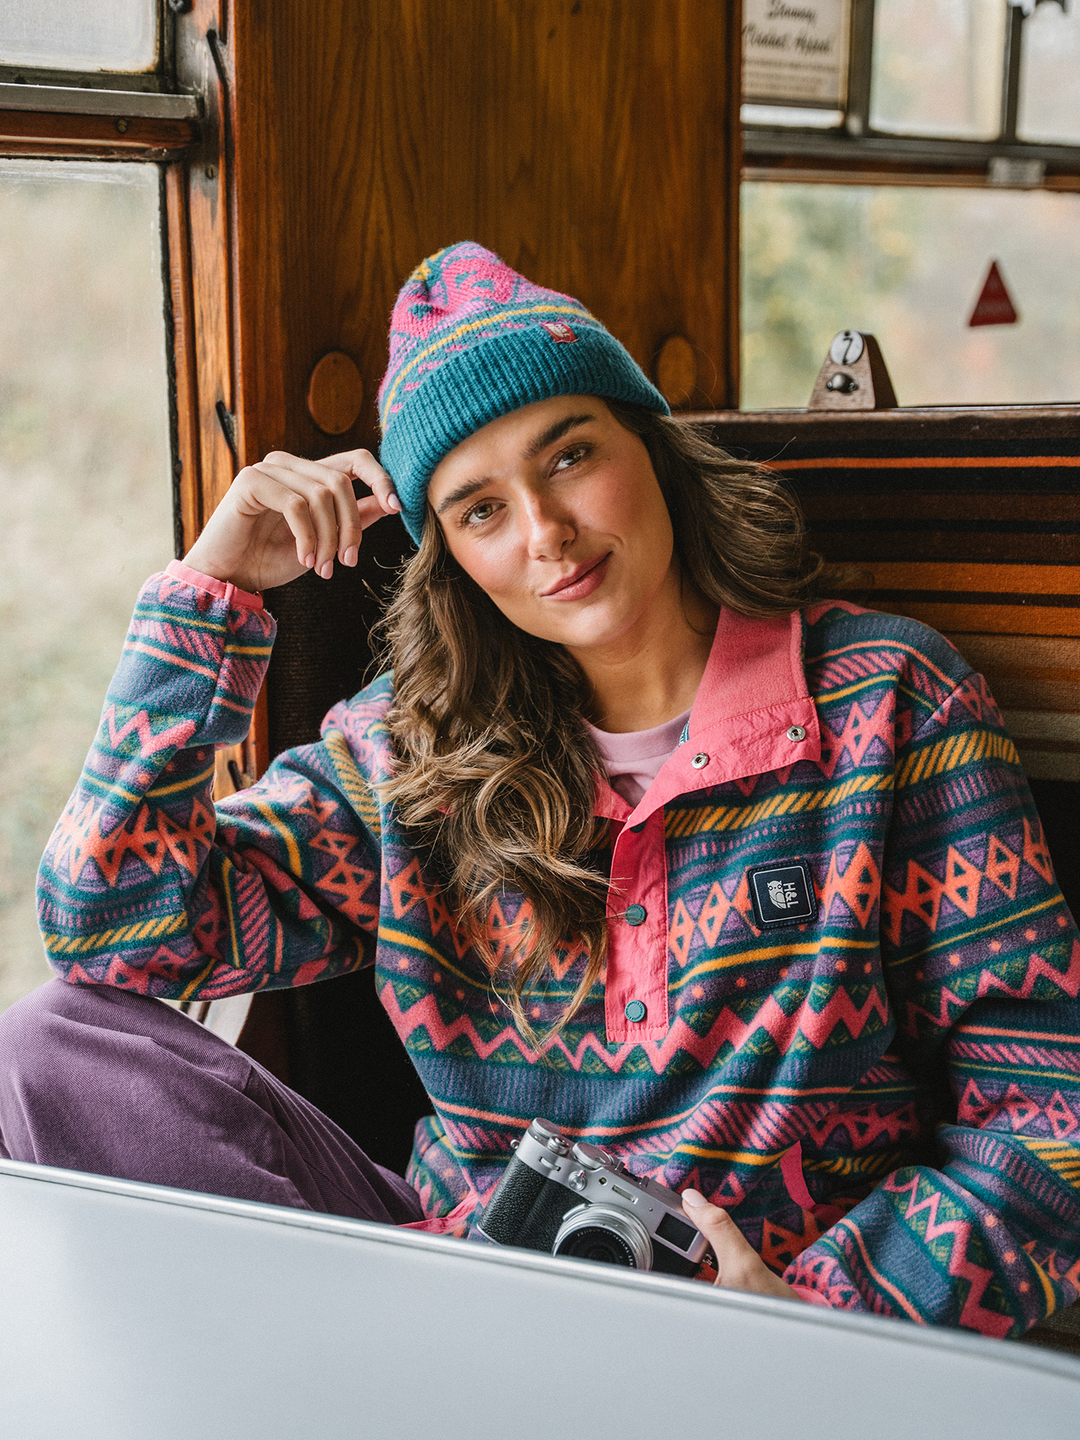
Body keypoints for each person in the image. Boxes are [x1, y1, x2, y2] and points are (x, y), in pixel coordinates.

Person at [4, 241, 1080, 1336]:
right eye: (479, 510)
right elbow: (112, 932)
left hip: (765, 1347)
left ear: (652, 449)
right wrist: (210, 592)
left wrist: (820, 1318)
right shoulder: (404, 755)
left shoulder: (889, 709)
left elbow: (1051, 1120)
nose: (545, 533)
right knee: (52, 1047)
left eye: (569, 457)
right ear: (451, 559)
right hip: (465, 1311)